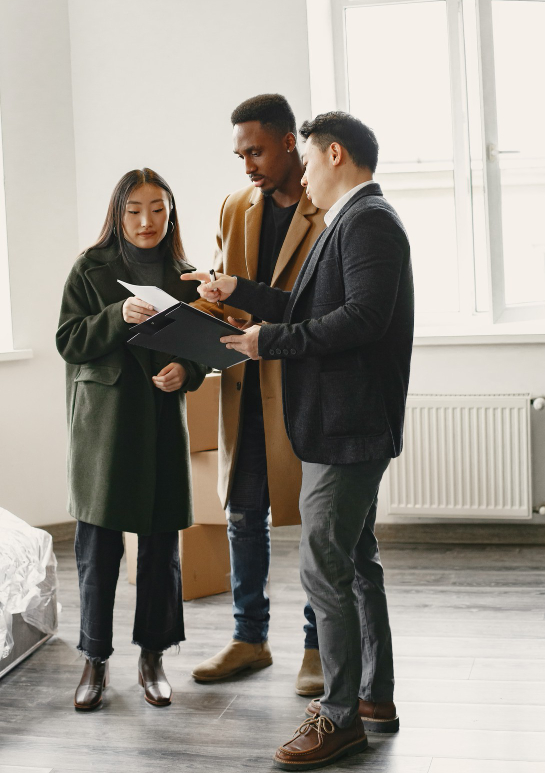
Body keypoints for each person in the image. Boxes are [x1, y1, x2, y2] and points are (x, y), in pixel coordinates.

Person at [185, 112, 414, 769]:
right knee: (355, 562)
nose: (303, 175)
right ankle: (372, 697)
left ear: (333, 154)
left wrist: (269, 343)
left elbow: (362, 320)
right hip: (342, 425)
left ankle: (338, 716)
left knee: (323, 566)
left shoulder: (367, 219)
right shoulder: (351, 219)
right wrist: (239, 292)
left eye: (308, 161)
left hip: (348, 429)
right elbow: (311, 305)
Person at [189, 94, 327, 696]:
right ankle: (250, 639)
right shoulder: (235, 205)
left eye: (257, 150)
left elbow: (319, 308)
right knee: (245, 515)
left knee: (318, 524)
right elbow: (227, 296)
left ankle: (319, 645)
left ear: (290, 141)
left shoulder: (329, 209)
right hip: (244, 387)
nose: (248, 164)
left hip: (305, 389)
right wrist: (186, 314)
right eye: (240, 152)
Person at [56, 168, 209, 712]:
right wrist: (117, 315)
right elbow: (69, 341)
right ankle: (94, 660)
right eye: (135, 210)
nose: (147, 222)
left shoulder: (189, 276)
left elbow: (201, 351)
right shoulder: (90, 269)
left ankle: (153, 657)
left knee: (162, 548)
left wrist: (185, 374)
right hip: (104, 427)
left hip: (162, 425)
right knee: (97, 549)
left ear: (172, 214)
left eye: (158, 210)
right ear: (118, 213)